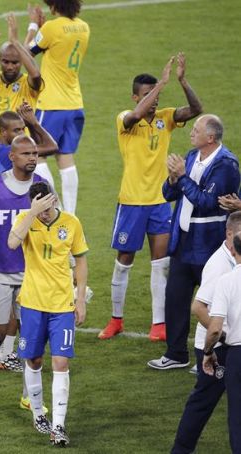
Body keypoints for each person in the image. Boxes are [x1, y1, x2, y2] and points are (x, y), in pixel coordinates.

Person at [99, 53, 203, 341]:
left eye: (156, 93)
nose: (155, 100)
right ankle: (116, 319)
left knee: (161, 263)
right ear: (135, 97)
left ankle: (159, 324)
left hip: (159, 203)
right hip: (131, 201)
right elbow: (133, 116)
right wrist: (161, 84)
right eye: (147, 94)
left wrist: (181, 81)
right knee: (124, 260)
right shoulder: (125, 119)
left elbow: (196, 108)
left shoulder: (165, 119)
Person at [148, 114, 240, 370]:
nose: (191, 132)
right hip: (183, 240)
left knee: (211, 302)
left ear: (210, 137)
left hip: (209, 244)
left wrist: (183, 177)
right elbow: (168, 194)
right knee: (175, 297)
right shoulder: (191, 156)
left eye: (196, 129)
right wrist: (173, 178)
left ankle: (216, 354)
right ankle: (176, 354)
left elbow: (208, 203)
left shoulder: (226, 165)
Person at [8, 181, 88, 447]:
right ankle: (38, 412)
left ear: (54, 200)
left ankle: (58, 426)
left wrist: (81, 300)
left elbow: (81, 261)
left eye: (46, 206)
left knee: (61, 363)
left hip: (62, 305)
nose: (44, 212)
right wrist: (31, 213)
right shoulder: (25, 219)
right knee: (33, 360)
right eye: (38, 207)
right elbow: (11, 243)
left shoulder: (71, 223)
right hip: (32, 303)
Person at [0, 136, 48, 410]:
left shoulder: (42, 186)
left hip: (32, 273)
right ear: (12, 157)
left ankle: (29, 395)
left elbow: (53, 225)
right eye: (26, 153)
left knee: (31, 335)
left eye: (35, 153)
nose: (32, 158)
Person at [172, 211, 241, 453]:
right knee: (203, 402)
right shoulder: (218, 265)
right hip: (216, 347)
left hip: (230, 345)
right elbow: (198, 307)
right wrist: (220, 337)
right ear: (229, 234)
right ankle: (181, 449)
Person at [26, 0, 90, 214]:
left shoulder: (51, 28)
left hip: (51, 104)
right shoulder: (83, 27)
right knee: (65, 157)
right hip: (75, 103)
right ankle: (70, 215)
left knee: (38, 154)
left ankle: (57, 210)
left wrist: (34, 26)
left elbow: (25, 53)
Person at [202, 232, 241, 454]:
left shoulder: (226, 281)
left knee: (238, 418)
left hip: (237, 355)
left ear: (234, 250)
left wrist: (208, 351)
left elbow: (215, 327)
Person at [0, 103, 57, 181]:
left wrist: (30, 126)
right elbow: (52, 147)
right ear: (3, 131)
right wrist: (35, 124)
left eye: (23, 129)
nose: (22, 134)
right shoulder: (9, 151)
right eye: (17, 130)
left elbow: (35, 148)